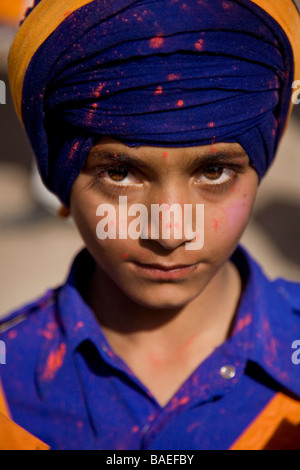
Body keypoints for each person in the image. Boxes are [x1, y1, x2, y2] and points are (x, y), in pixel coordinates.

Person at [0, 0, 300, 451]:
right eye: (119, 174)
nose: (170, 231)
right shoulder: (9, 390)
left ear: (259, 169)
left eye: (214, 172)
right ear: (59, 182)